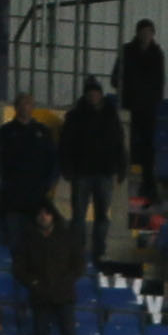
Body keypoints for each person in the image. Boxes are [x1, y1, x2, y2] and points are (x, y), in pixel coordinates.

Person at [58, 78, 127, 266]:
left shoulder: (111, 116)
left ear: (100, 95)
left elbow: (119, 143)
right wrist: (67, 168)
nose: (93, 96)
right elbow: (65, 145)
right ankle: (77, 252)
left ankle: (99, 252)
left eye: (95, 93)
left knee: (101, 216)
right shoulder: (75, 116)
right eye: (90, 93)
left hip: (104, 173)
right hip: (82, 173)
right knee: (79, 216)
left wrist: (121, 167)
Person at [13, 205, 82, 335]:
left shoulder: (67, 237)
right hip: (40, 295)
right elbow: (19, 269)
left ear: (53, 216)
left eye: (47, 214)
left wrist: (66, 282)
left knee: (69, 334)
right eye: (40, 214)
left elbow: (78, 265)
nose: (43, 217)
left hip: (64, 294)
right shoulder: (27, 240)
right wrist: (34, 283)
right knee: (41, 334)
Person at [0, 91, 59, 230]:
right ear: (16, 107)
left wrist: (48, 183)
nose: (25, 107)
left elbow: (53, 159)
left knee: (33, 233)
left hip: (37, 192)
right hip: (12, 192)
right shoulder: (5, 131)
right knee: (12, 231)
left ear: (33, 107)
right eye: (22, 104)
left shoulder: (43, 132)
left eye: (29, 104)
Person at [112, 20, 164, 183]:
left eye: (148, 32)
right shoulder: (128, 51)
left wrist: (153, 100)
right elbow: (116, 77)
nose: (145, 35)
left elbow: (159, 81)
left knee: (147, 143)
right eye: (143, 32)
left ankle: (147, 178)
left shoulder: (157, 54)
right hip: (130, 104)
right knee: (126, 140)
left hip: (147, 107)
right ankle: (123, 170)